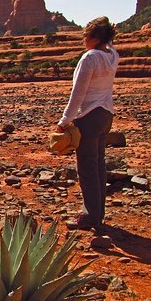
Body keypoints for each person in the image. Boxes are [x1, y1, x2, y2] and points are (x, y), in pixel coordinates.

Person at [56, 17, 118, 230]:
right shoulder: (112, 55)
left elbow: (78, 93)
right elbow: (110, 45)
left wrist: (64, 120)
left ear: (97, 37)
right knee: (98, 165)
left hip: (89, 117)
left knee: (87, 168)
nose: (84, 39)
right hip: (105, 115)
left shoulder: (90, 58)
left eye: (87, 35)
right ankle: (98, 212)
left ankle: (90, 216)